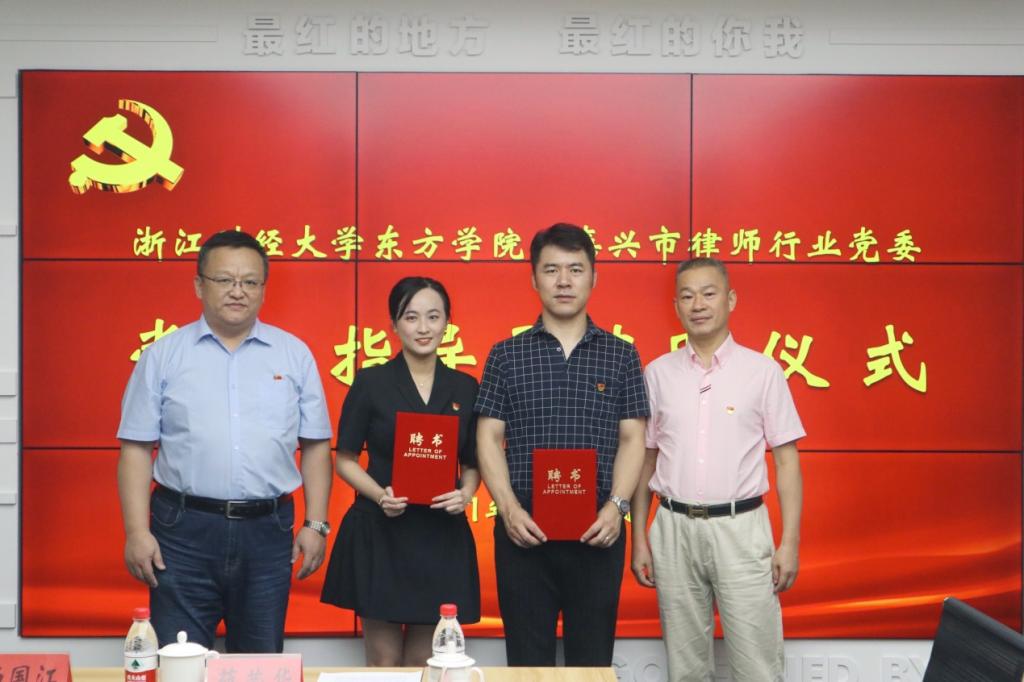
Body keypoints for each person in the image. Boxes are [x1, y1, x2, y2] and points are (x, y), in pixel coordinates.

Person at [116, 230, 333, 652]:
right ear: (199, 285)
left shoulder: (293, 355)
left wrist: (316, 524)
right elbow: (137, 449)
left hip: (267, 531)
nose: (238, 291)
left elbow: (316, 446)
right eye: (225, 280)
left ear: (263, 289)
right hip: (182, 531)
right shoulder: (163, 356)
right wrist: (136, 531)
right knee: (179, 660)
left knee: (259, 663)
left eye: (250, 282)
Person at [474, 223, 648, 667]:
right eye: (551, 270)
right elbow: (488, 437)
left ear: (594, 277)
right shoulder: (506, 355)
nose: (564, 281)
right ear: (534, 279)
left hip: (599, 532)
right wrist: (509, 510)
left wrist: (617, 508)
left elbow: (633, 439)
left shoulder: (621, 355)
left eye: (576, 269)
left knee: (591, 663)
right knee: (526, 664)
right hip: (523, 533)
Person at [630, 257, 805, 682]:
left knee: (757, 664)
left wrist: (790, 543)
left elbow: (787, 461)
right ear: (676, 306)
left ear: (730, 299)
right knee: (686, 668)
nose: (698, 305)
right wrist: (639, 539)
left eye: (709, 294)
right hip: (673, 528)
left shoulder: (763, 372)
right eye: (687, 296)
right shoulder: (657, 374)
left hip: (741, 528)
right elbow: (646, 460)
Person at [320, 276, 481, 666]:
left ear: (447, 323)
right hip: (382, 529)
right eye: (411, 317)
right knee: (384, 663)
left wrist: (465, 493)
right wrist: (380, 495)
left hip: (440, 534)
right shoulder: (371, 381)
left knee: (428, 663)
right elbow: (344, 459)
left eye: (433, 316)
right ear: (394, 324)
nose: (423, 328)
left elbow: (473, 463)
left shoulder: (465, 386)